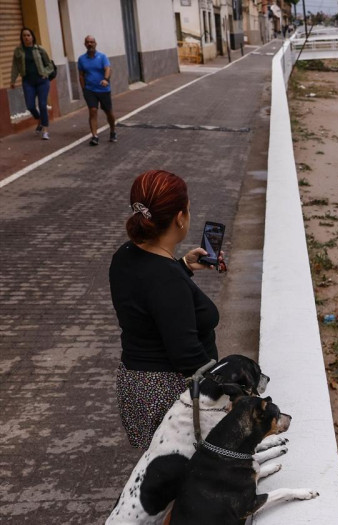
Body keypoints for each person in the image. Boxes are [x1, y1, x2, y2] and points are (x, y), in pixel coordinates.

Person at [109, 169, 225, 450]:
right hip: (168, 391)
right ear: (180, 218)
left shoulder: (125, 255)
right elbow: (186, 354)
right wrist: (229, 390)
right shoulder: (166, 278)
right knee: (185, 476)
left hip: (137, 385)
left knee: (159, 468)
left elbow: (148, 298)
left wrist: (183, 266)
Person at [9, 27, 54, 140]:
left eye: (28, 35)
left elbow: (49, 65)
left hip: (42, 81)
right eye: (24, 35)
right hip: (28, 81)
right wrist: (13, 80)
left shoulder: (39, 49)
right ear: (21, 37)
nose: (26, 37)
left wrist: (46, 73)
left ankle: (45, 130)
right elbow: (15, 66)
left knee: (43, 105)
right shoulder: (18, 51)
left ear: (32, 37)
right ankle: (40, 119)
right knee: (30, 106)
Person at [78, 35, 117, 146]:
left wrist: (105, 79)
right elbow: (81, 75)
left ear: (95, 44)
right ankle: (94, 136)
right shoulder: (82, 59)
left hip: (103, 89)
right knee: (93, 110)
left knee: (108, 112)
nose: (90, 44)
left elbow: (108, 69)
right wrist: (84, 89)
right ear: (85, 44)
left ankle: (113, 130)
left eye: (92, 42)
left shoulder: (102, 57)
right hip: (90, 90)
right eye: (87, 42)